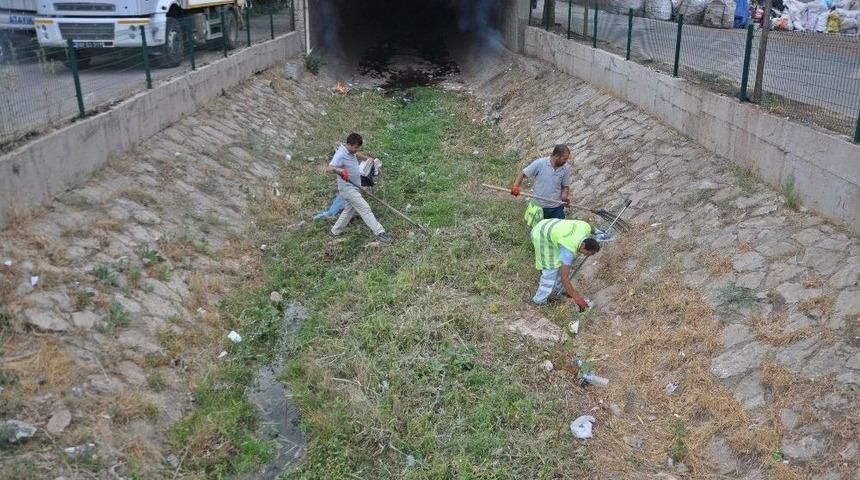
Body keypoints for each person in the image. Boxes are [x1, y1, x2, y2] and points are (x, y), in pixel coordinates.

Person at [325, 133, 392, 243]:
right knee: (365, 208)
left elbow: (356, 155)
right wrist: (339, 170)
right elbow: (328, 169)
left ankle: (334, 232)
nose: (356, 150)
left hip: (355, 187)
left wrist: (368, 159)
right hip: (348, 189)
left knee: (349, 210)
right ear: (349, 144)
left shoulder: (351, 151)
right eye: (355, 147)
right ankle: (380, 233)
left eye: (358, 147)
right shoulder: (340, 154)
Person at [530, 218, 600, 310]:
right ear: (583, 246)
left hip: (550, 224)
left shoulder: (585, 227)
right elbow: (564, 278)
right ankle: (538, 301)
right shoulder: (568, 250)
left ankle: (556, 292)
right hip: (541, 234)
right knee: (550, 271)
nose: (586, 255)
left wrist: (599, 233)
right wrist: (577, 299)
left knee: (558, 266)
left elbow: (591, 227)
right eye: (589, 253)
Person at [510, 145, 572, 229]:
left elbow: (565, 186)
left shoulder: (565, 170)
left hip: (556, 207)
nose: (566, 161)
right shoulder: (540, 163)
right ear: (557, 156)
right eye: (564, 159)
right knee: (538, 230)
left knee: (560, 229)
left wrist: (564, 196)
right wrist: (516, 186)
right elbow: (523, 174)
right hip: (539, 207)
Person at [313, 157, 382, 220]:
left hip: (354, 182)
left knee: (344, 199)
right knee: (342, 199)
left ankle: (330, 213)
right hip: (351, 182)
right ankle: (329, 214)